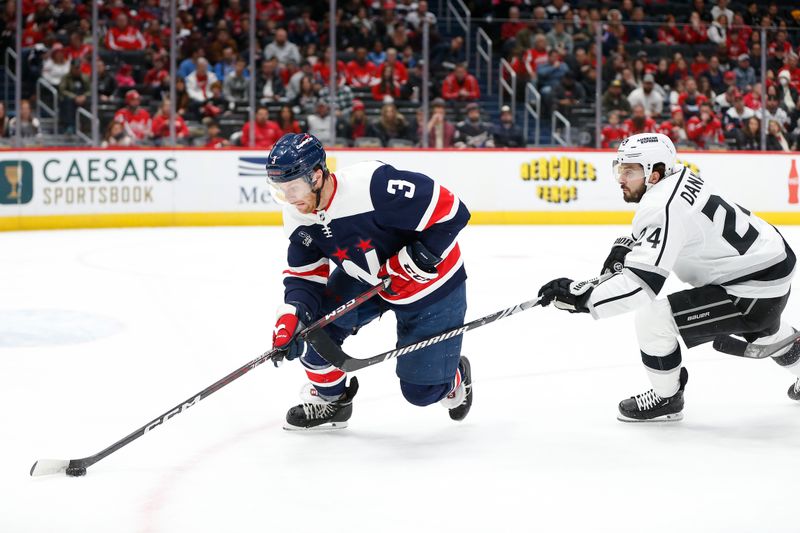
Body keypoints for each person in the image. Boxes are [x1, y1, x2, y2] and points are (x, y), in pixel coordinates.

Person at [537, 132, 798, 422]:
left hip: (753, 286)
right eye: (619, 169)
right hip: (771, 262)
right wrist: (628, 248)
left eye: (630, 170)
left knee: (653, 319)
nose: (621, 178)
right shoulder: (680, 177)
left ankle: (666, 397)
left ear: (654, 174)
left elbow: (639, 288)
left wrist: (582, 299)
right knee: (767, 326)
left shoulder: (661, 206)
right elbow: (674, 227)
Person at [265, 133, 472, 429]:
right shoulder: (298, 215)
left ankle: (452, 375)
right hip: (366, 279)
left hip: (432, 285)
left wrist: (418, 258)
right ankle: (333, 402)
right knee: (310, 330)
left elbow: (453, 212)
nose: (290, 198)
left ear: (317, 176)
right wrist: (294, 313)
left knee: (422, 393)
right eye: (281, 190)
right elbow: (305, 274)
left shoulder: (375, 186)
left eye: (294, 187)